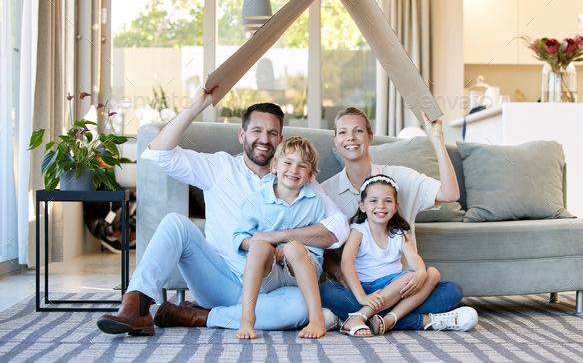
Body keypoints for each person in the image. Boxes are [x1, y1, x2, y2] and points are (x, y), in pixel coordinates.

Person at [96, 88, 349, 336]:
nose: (264, 139)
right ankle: (135, 306)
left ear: (280, 140)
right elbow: (158, 154)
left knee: (302, 306)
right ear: (242, 134)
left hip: (274, 287)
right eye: (256, 131)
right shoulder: (219, 167)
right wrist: (197, 105)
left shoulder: (298, 179)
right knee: (175, 224)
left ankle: (199, 316)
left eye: (272, 133)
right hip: (221, 280)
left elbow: (339, 227)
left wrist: (279, 236)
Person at [320, 106, 478, 332]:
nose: (351, 138)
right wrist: (340, 276)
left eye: (358, 131)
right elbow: (323, 253)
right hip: (358, 291)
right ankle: (421, 320)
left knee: (452, 290)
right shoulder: (325, 192)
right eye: (343, 132)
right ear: (335, 140)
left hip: (405, 287)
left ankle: (350, 318)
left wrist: (437, 139)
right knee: (325, 291)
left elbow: (450, 194)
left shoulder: (399, 177)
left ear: (370, 137)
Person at [338, 175, 474, 336]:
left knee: (440, 279)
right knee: (328, 292)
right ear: (362, 206)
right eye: (373, 201)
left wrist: (422, 273)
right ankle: (410, 319)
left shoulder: (400, 233)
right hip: (368, 292)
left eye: (387, 201)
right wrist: (361, 297)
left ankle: (386, 319)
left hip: (398, 292)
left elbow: (414, 258)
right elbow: (346, 263)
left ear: (396, 207)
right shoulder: (358, 231)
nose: (381, 206)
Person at [234, 137, 326, 339]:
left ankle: (317, 319)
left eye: (302, 166)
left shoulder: (315, 202)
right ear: (274, 166)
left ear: (310, 175)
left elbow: (319, 243)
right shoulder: (256, 200)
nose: (294, 170)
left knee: (294, 247)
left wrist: (292, 246)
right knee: (258, 246)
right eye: (288, 163)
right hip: (270, 271)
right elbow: (240, 238)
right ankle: (247, 318)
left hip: (301, 269)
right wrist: (266, 243)